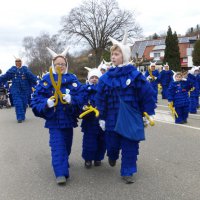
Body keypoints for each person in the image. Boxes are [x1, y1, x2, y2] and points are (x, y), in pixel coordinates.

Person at [95, 31, 156, 184]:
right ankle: (112, 156)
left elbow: (147, 95)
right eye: (112, 55)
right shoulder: (105, 78)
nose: (113, 57)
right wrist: (101, 117)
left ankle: (128, 171)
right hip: (111, 118)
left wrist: (147, 114)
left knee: (130, 146)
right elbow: (101, 99)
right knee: (112, 145)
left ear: (125, 55)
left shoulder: (135, 75)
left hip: (131, 117)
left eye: (116, 54)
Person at [31, 47, 84, 185]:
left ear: (66, 65)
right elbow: (36, 99)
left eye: (62, 64)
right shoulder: (46, 80)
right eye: (57, 64)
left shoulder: (72, 79)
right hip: (54, 120)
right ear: (53, 65)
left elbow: (81, 96)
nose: (60, 66)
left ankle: (63, 161)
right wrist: (46, 103)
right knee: (57, 145)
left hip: (68, 119)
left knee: (67, 145)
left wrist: (72, 99)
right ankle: (60, 173)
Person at [80, 67, 106, 168]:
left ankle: (98, 158)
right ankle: (88, 159)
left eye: (96, 77)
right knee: (89, 141)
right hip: (89, 120)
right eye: (92, 77)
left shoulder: (103, 90)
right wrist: (84, 106)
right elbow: (81, 100)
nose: (94, 79)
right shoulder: (85, 89)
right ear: (89, 79)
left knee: (102, 140)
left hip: (101, 120)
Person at [0, 58, 37, 122]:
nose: (17, 62)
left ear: (21, 62)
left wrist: (38, 82)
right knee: (18, 103)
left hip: (25, 90)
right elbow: (5, 77)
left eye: (19, 61)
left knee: (24, 103)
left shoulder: (25, 70)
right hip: (15, 90)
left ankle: (22, 115)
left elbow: (32, 77)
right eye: (16, 61)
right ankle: (19, 117)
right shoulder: (12, 70)